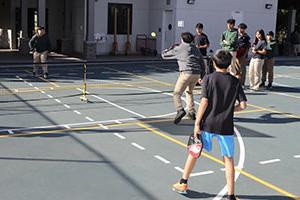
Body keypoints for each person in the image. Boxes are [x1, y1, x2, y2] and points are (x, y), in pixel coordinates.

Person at [172, 49, 247, 200]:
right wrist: (229, 110)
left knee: (194, 151)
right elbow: (244, 105)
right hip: (225, 126)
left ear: (214, 63)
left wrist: (197, 123)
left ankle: (183, 182)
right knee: (229, 159)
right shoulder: (235, 81)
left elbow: (204, 102)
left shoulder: (209, 78)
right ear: (229, 63)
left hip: (208, 123)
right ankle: (231, 195)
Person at [162, 32, 205, 124]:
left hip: (186, 73)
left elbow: (164, 55)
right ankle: (191, 111)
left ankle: (180, 109)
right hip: (196, 74)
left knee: (177, 93)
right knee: (189, 91)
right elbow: (202, 62)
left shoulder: (180, 48)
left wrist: (170, 48)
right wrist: (202, 75)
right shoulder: (195, 48)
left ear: (183, 39)